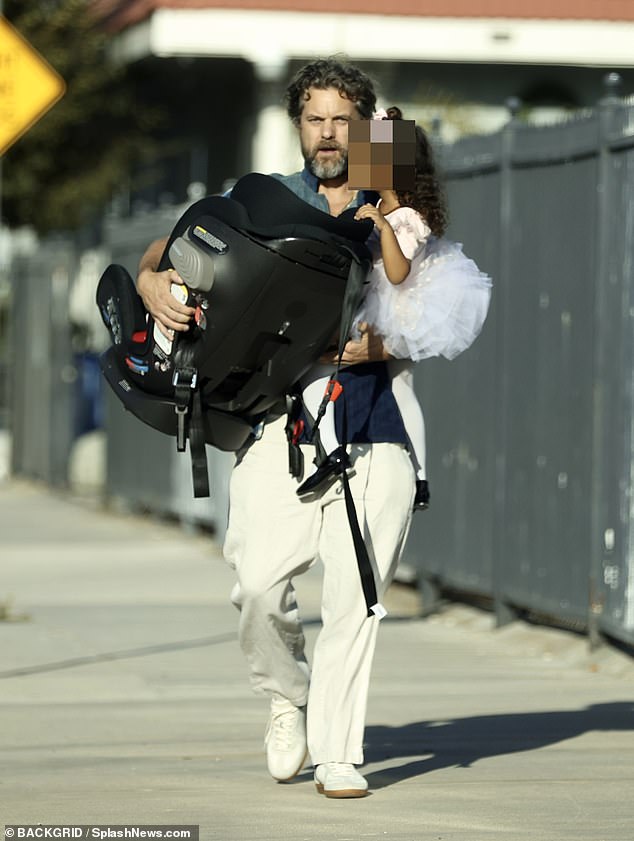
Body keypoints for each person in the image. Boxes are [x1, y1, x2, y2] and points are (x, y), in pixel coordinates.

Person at [136, 58, 417, 800]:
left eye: (343, 119)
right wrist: (150, 281)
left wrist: (377, 345)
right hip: (275, 415)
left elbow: (434, 314)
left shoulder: (396, 203)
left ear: (365, 126)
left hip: (373, 415)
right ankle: (285, 694)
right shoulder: (258, 198)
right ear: (298, 125)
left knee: (358, 593)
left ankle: (337, 750)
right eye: (315, 117)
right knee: (258, 584)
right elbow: (171, 247)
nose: (329, 134)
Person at [297, 107, 492, 509]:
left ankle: (416, 474)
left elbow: (399, 273)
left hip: (398, 305)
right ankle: (339, 453)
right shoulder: (380, 208)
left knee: (391, 386)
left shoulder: (407, 218)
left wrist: (382, 228)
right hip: (377, 299)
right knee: (391, 386)